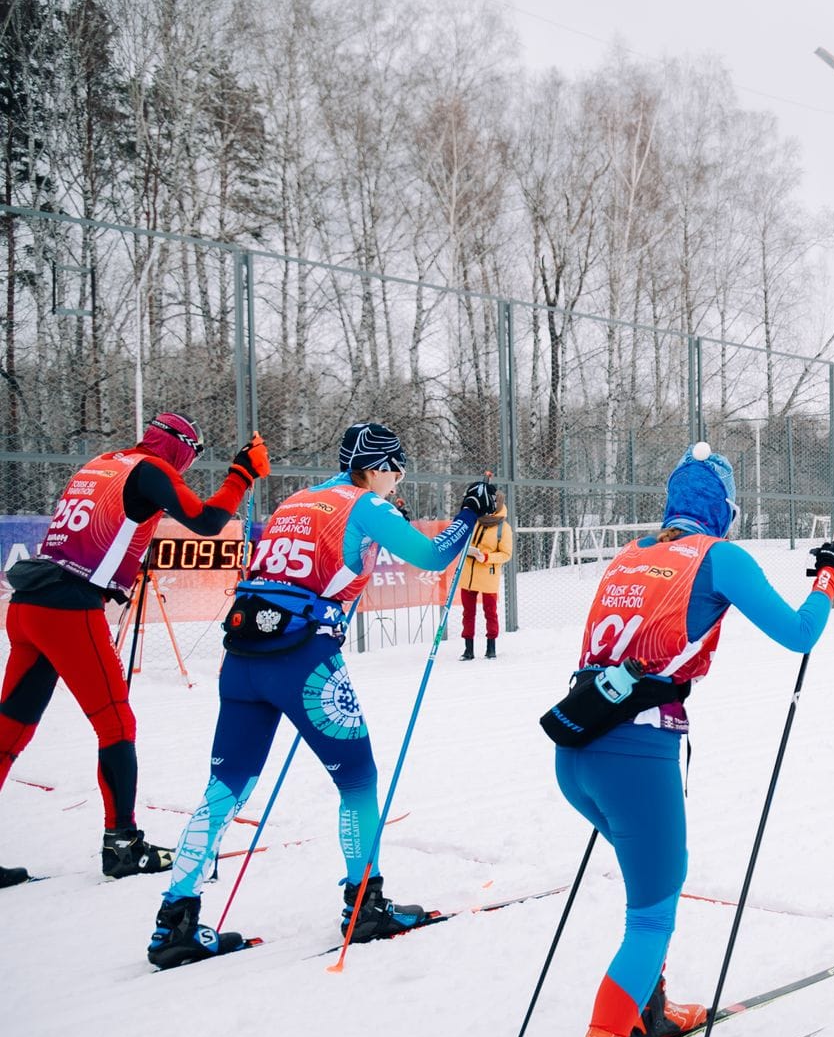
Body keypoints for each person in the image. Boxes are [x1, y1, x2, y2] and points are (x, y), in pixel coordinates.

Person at [551, 443, 834, 1037]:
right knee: (652, 914)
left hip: (578, 746)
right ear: (724, 509)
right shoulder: (719, 556)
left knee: (645, 884)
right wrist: (827, 577)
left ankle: (646, 1012)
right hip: (637, 751)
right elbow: (799, 633)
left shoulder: (631, 553)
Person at [145, 422, 497, 968]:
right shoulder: (365, 503)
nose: (397, 480)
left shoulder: (297, 500)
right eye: (395, 469)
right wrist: (471, 511)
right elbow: (433, 558)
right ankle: (366, 906)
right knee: (358, 780)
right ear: (376, 467)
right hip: (304, 662)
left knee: (225, 788)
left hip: (242, 658)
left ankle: (175, 920)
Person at [0, 413, 268, 887]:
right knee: (116, 724)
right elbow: (206, 521)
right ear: (181, 447)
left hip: (28, 605)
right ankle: (123, 844)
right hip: (69, 608)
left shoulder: (104, 461)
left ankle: (121, 839)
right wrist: (240, 475)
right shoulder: (152, 470)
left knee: (10, 730)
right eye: (193, 453)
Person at [459, 488, 513, 660]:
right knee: (468, 613)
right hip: (468, 574)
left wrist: (486, 557)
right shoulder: (474, 520)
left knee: (490, 612)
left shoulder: (503, 527)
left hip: (488, 574)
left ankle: (491, 647)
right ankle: (468, 649)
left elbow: (506, 554)